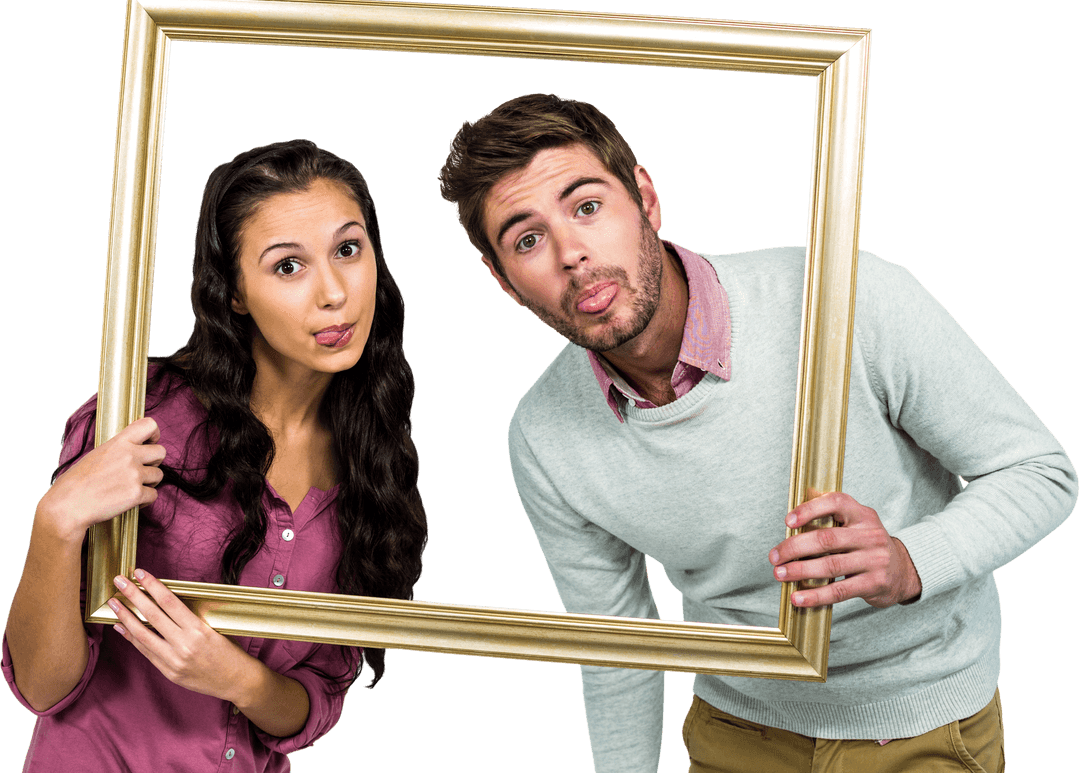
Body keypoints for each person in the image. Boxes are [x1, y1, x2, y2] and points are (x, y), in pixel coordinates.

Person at [437, 94, 1077, 773]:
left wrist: (910, 561)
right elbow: (619, 650)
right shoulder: (543, 436)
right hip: (737, 730)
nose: (572, 254)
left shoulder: (844, 297)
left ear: (646, 198)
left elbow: (1040, 473)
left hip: (922, 721)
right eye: (527, 240)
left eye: (588, 206)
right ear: (504, 282)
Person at [3, 139, 427, 772]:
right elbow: (41, 689)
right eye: (289, 266)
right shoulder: (141, 418)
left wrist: (237, 678)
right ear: (234, 292)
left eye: (347, 249)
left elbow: (314, 702)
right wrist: (56, 521)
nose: (335, 293)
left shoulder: (374, 459)